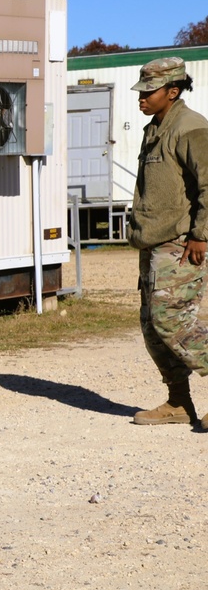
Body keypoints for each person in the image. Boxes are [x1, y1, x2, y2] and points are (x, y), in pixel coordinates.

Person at [127, 57, 208, 430]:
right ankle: (179, 403)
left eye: (149, 91)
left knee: (173, 320)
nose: (141, 98)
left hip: (181, 242)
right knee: (152, 326)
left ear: (172, 91)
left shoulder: (191, 127)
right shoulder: (155, 128)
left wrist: (201, 234)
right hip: (154, 242)